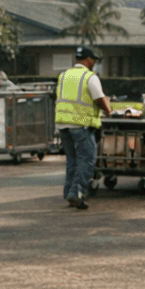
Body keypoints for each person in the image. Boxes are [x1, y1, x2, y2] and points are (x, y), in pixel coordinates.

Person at [55, 45, 113, 209]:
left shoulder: (64, 75)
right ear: (88, 60)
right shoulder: (89, 77)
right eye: (94, 60)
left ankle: (69, 193)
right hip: (81, 125)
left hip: (63, 124)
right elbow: (99, 99)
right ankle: (77, 192)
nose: (94, 63)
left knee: (72, 160)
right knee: (86, 160)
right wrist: (108, 111)